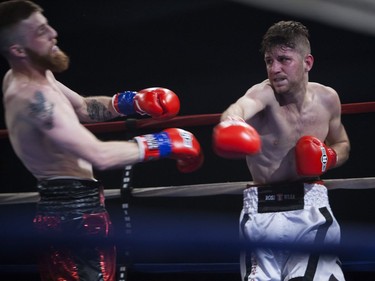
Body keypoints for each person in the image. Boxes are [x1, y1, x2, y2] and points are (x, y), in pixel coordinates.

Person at [0, 1, 203, 280]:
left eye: (47, 23)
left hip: (72, 207)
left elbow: (82, 108)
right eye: (40, 30)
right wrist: (162, 143)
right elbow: (99, 155)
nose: (53, 33)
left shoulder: (33, 74)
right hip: (71, 217)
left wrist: (131, 103)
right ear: (18, 50)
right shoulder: (32, 98)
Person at [213, 21, 350, 281]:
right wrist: (231, 123)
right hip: (261, 208)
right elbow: (240, 108)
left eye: (284, 59)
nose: (274, 69)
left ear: (307, 62)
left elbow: (342, 145)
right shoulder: (263, 95)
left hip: (310, 205)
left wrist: (327, 157)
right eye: (269, 61)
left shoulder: (328, 99)